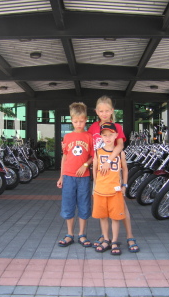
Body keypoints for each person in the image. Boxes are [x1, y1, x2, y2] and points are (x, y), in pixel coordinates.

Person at [87, 95, 140, 253]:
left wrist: (109, 161)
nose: (104, 113)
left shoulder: (117, 126)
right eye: (101, 111)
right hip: (101, 178)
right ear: (97, 112)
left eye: (107, 111)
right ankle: (105, 237)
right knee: (103, 209)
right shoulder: (93, 128)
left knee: (121, 208)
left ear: (112, 111)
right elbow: (92, 151)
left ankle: (129, 235)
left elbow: (120, 146)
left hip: (114, 175)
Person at [57, 102, 94, 247]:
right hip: (69, 176)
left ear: (86, 119)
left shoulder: (89, 137)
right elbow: (64, 157)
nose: (79, 123)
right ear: (71, 120)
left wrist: (85, 165)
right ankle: (69, 234)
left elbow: (93, 156)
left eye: (82, 120)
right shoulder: (67, 137)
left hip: (84, 177)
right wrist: (61, 176)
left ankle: (82, 234)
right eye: (76, 121)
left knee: (84, 205)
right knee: (68, 205)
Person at [92, 122, 128, 255]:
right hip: (100, 191)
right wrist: (96, 185)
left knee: (115, 217)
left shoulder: (120, 153)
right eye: (104, 135)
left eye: (110, 135)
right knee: (103, 217)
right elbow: (94, 170)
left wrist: (124, 185)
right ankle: (106, 239)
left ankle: (114, 241)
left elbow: (125, 170)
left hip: (115, 191)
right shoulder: (97, 152)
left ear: (116, 135)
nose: (107, 138)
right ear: (100, 136)